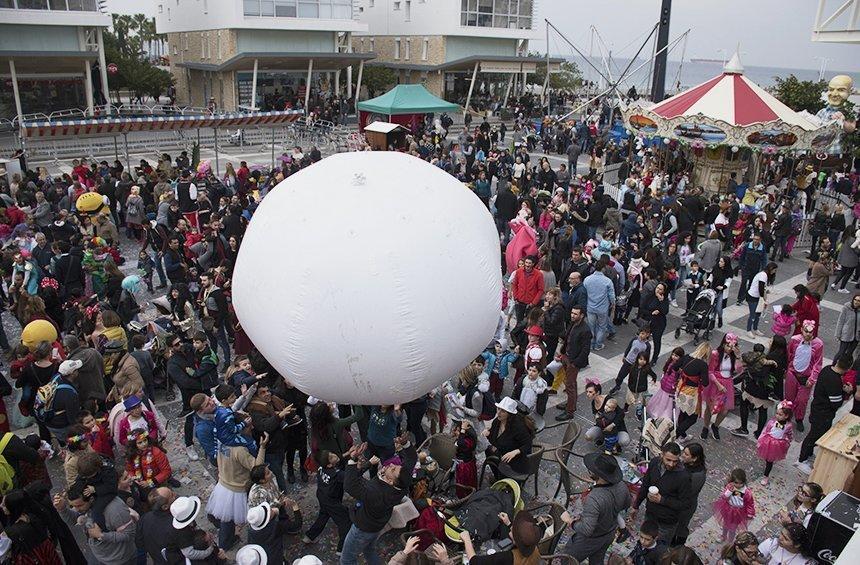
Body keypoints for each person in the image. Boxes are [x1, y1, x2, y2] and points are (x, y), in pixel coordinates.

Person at [340, 437, 417, 565]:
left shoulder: (376, 492)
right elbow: (411, 459)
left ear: (391, 482)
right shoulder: (403, 481)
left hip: (362, 529)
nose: (391, 465)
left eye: (393, 470)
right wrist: (405, 444)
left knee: (346, 559)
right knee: (369, 550)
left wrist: (352, 459)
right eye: (395, 466)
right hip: (377, 526)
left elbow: (350, 485)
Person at [206, 428, 268, 550]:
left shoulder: (222, 441)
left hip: (223, 484)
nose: (251, 428)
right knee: (236, 518)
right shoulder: (239, 450)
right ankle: (225, 544)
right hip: (237, 488)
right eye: (248, 426)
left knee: (226, 516)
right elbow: (257, 467)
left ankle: (225, 540)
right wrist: (263, 447)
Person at [54, 481, 137, 565]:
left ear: (91, 499)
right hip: (101, 557)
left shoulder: (115, 509)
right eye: (73, 506)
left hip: (120, 560)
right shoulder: (86, 505)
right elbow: (73, 520)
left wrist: (101, 535)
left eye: (79, 506)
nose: (77, 509)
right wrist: (62, 509)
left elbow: (129, 534)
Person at [796, 355, 852, 474]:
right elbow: (836, 403)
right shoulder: (835, 381)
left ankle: (809, 453)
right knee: (814, 435)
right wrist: (846, 392)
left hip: (818, 408)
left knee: (816, 434)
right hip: (823, 413)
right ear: (847, 368)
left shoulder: (827, 369)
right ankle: (801, 460)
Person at [630, 442, 691, 543]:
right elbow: (645, 485)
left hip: (666, 522)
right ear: (661, 455)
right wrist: (636, 505)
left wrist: (662, 500)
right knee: (645, 542)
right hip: (650, 514)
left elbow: (685, 504)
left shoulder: (683, 477)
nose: (671, 464)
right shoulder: (654, 463)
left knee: (659, 548)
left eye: (675, 461)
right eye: (668, 460)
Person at [303, 449, 351, 555]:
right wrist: (368, 464)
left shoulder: (321, 467)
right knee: (345, 521)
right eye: (331, 457)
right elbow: (351, 477)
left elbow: (336, 459)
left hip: (322, 495)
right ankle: (341, 549)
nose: (334, 454)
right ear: (329, 465)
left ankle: (310, 536)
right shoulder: (336, 474)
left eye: (332, 453)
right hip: (332, 501)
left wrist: (346, 454)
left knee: (323, 515)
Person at [462, 510, 542, 565]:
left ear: (517, 540)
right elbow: (520, 537)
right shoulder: (533, 546)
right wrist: (508, 523)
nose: (513, 527)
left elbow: (475, 562)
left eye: (515, 529)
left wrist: (467, 539)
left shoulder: (507, 558)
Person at [785, 320, 824, 431]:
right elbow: (789, 355)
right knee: (789, 398)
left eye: (810, 332)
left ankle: (799, 419)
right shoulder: (794, 340)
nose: (808, 334)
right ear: (802, 330)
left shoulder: (818, 344)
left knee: (802, 400)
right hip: (792, 374)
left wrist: (812, 379)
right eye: (806, 331)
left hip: (806, 378)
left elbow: (818, 363)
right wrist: (786, 371)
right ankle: (786, 416)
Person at [484, 396, 534, 480]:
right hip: (502, 451)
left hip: (516, 458)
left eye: (503, 411)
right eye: (498, 409)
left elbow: (528, 445)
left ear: (509, 414)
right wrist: (488, 434)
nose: (499, 413)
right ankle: (498, 477)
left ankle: (504, 479)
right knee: (488, 451)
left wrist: (515, 452)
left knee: (493, 455)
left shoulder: (518, 427)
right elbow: (494, 440)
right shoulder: (497, 421)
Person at [556, 305, 591, 421]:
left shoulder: (585, 330)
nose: (572, 315)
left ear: (582, 315)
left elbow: (585, 350)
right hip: (567, 357)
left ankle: (569, 411)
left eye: (575, 314)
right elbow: (568, 338)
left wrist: (575, 363)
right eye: (572, 313)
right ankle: (570, 405)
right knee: (570, 384)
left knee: (570, 386)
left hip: (573, 361)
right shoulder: (573, 323)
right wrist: (562, 353)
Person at [703, 334, 741, 440]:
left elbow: (738, 370)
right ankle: (705, 427)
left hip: (727, 384)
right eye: (728, 346)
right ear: (723, 344)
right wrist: (718, 384)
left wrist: (738, 356)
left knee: (724, 410)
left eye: (732, 346)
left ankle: (715, 426)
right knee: (709, 408)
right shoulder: (715, 354)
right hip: (715, 384)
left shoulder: (733, 356)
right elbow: (710, 371)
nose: (729, 349)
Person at [247, 498, 303, 565]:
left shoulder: (251, 529)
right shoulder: (275, 527)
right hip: (276, 558)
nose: (271, 509)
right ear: (267, 520)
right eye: (269, 511)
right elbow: (297, 524)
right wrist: (294, 505)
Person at [672, 443, 706, 547]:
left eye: (686, 455)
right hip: (680, 502)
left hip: (686, 506)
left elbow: (687, 493)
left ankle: (678, 544)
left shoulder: (698, 475)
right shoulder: (687, 465)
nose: (682, 455)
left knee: (680, 527)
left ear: (694, 458)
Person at [755, 401, 795, 486]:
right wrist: (760, 439)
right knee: (767, 457)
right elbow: (766, 430)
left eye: (780, 415)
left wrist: (789, 440)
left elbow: (790, 434)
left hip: (777, 445)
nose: (777, 416)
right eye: (777, 413)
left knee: (770, 461)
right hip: (768, 441)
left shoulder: (788, 426)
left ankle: (766, 476)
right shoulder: (772, 422)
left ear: (786, 416)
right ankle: (767, 465)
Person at [135, 487, 177, 564]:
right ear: (165, 507)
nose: (175, 494)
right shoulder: (175, 523)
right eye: (171, 495)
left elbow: (139, 543)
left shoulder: (144, 518)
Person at [713, 468, 756, 542]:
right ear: (732, 481)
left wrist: (750, 513)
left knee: (732, 528)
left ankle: (730, 540)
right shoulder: (729, 487)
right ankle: (723, 536)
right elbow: (724, 497)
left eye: (741, 483)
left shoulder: (746, 492)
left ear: (744, 482)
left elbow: (750, 503)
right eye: (736, 482)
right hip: (728, 509)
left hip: (738, 512)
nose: (738, 485)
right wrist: (729, 491)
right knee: (725, 524)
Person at [583, 256, 616, 351]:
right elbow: (611, 296)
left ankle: (591, 343)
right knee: (602, 326)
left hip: (590, 307)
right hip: (603, 308)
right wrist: (613, 304)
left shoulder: (587, 279)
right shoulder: (607, 281)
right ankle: (598, 344)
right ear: (603, 268)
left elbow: (584, 293)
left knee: (591, 326)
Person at [610, 324, 652, 396]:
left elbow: (646, 357)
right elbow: (629, 348)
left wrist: (643, 365)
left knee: (633, 379)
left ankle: (632, 392)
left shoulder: (647, 345)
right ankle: (617, 386)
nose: (641, 335)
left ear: (648, 334)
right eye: (641, 333)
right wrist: (625, 356)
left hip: (636, 365)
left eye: (644, 334)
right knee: (620, 376)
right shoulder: (634, 340)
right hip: (628, 362)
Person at [647, 347, 683, 422]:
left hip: (670, 389)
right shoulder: (669, 362)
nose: (673, 357)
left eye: (676, 356)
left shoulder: (680, 368)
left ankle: (662, 417)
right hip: (664, 386)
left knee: (666, 405)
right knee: (660, 403)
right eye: (673, 354)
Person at [639, 282, 669, 363]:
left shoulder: (664, 299)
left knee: (657, 340)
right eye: (657, 288)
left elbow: (665, 311)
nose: (658, 290)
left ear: (663, 291)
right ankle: (642, 356)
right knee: (642, 338)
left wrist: (661, 301)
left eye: (660, 289)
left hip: (659, 323)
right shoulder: (650, 296)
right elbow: (642, 308)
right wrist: (651, 313)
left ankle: (654, 358)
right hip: (648, 321)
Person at [746, 262, 777, 336]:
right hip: (753, 296)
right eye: (774, 270)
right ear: (771, 268)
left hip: (757, 296)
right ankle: (749, 330)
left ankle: (755, 328)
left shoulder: (764, 275)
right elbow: (761, 287)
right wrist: (763, 299)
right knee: (753, 314)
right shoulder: (763, 275)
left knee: (758, 314)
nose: (774, 272)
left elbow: (763, 288)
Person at [834, 293, 860, 361]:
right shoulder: (847, 307)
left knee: (849, 354)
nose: (856, 302)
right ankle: (833, 366)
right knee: (841, 353)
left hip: (856, 337)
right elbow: (841, 321)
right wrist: (838, 334)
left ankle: (843, 368)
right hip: (846, 334)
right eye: (855, 300)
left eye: (858, 301)